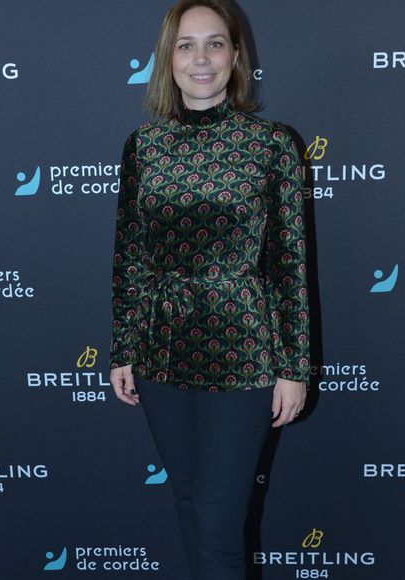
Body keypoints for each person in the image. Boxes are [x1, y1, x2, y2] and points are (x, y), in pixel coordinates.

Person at [109, 1, 310, 578]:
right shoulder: (143, 146)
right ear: (167, 59)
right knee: (188, 501)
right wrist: (123, 346)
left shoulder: (271, 145)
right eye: (186, 44)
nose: (201, 58)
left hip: (242, 350)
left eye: (215, 43)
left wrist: (292, 364)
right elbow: (130, 258)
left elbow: (289, 264)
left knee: (221, 522)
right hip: (158, 348)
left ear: (236, 56)